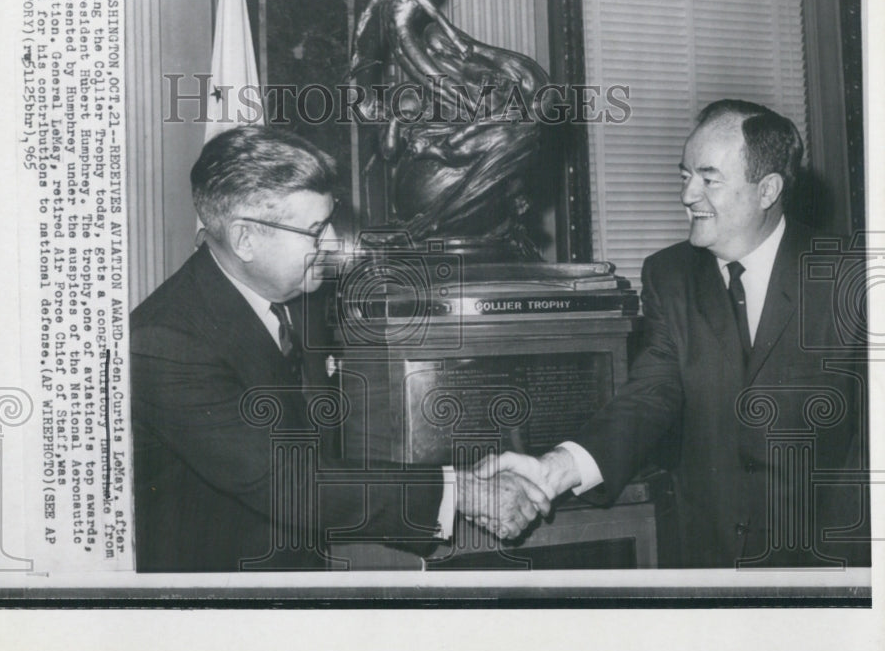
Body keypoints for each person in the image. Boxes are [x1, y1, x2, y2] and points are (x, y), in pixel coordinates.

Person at [130, 126, 547, 571]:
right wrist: (459, 491)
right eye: (313, 230)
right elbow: (288, 482)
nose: (331, 244)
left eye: (330, 222)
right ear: (245, 239)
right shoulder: (165, 341)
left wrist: (459, 474)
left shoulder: (300, 302)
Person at [482, 100, 869, 568]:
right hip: (709, 563)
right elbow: (650, 396)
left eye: (709, 179)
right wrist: (554, 469)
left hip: (835, 566)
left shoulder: (853, 276)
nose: (688, 194)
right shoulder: (669, 275)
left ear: (767, 190)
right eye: (684, 175)